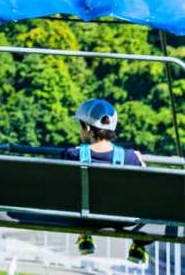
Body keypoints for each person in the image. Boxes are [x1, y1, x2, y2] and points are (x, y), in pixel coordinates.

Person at [61, 98, 148, 262]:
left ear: (87, 127)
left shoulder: (71, 155)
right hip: (121, 220)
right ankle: (138, 245)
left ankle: (84, 234)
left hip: (82, 218)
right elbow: (145, 187)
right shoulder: (130, 158)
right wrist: (140, 162)